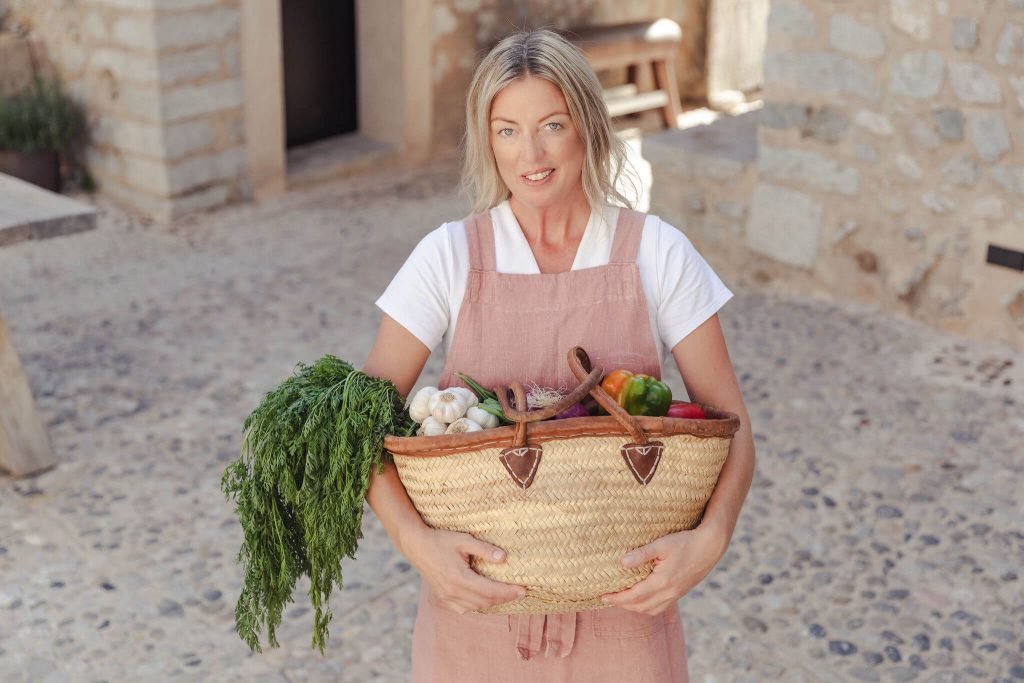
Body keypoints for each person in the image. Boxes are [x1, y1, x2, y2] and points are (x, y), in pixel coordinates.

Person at [362, 28, 755, 682]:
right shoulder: (448, 257)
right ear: (486, 139)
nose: (531, 154)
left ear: (589, 127)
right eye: (507, 130)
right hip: (475, 618)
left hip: (625, 619)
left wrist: (707, 542)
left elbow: (735, 428)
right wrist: (419, 545)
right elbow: (360, 427)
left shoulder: (656, 252)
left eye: (551, 124)